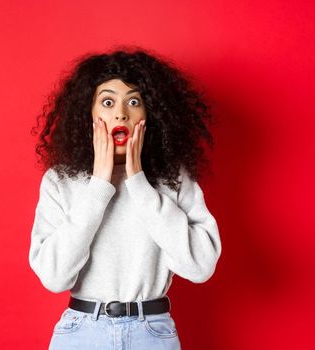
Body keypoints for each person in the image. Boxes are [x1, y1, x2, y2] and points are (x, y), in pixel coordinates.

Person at [28, 47, 222, 350]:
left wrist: (139, 183)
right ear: (89, 114)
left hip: (153, 333)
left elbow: (200, 267)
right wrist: (99, 185)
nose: (121, 113)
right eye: (107, 101)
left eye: (134, 101)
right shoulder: (61, 181)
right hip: (81, 333)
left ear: (150, 115)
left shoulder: (173, 179)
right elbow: (54, 278)